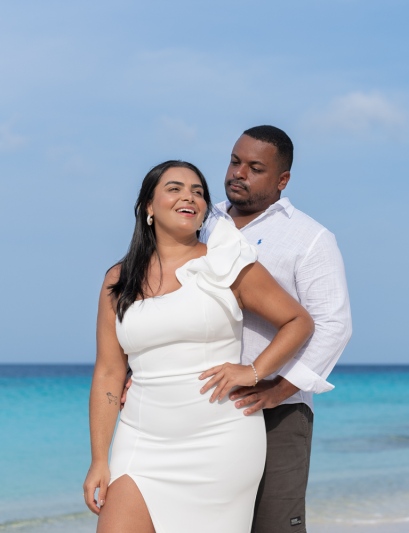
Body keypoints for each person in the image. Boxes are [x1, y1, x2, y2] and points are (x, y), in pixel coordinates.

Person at [83, 160, 314, 532]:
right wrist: (98, 459)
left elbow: (298, 321)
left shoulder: (225, 263)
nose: (189, 197)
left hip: (220, 441)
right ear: (148, 207)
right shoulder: (119, 277)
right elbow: (109, 371)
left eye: (198, 192)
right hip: (141, 440)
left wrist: (254, 371)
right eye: (174, 188)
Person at [203, 125, 352, 533]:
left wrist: (279, 389)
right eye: (235, 162)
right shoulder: (202, 222)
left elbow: (334, 325)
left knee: (274, 526)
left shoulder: (310, 238)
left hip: (277, 412)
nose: (238, 173)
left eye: (255, 168)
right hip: (202, 405)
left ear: (282, 179)